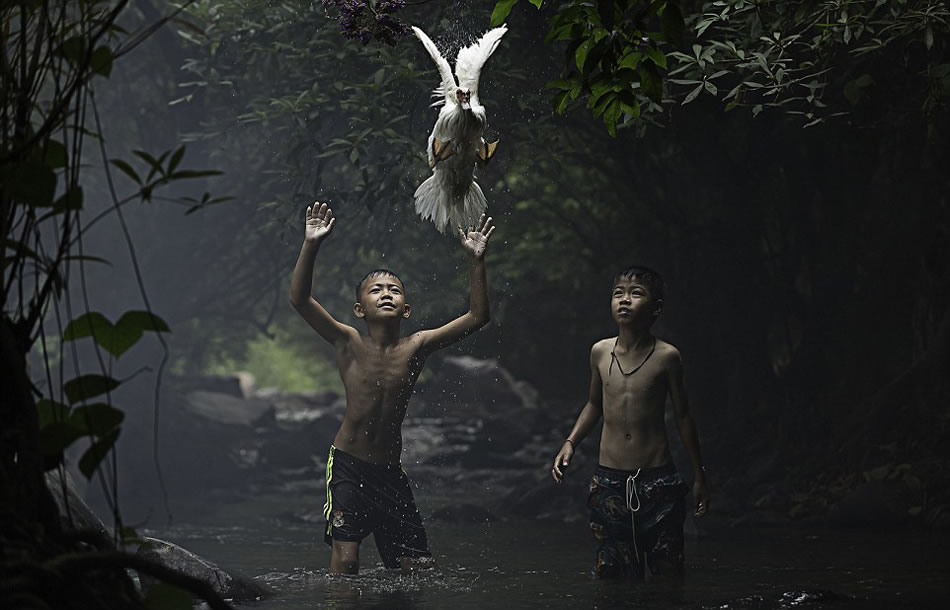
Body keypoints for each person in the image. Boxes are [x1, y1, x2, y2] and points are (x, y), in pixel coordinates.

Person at [289, 202, 495, 574]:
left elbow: (478, 317)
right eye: (376, 290)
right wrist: (311, 244)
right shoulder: (348, 342)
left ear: (406, 310)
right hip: (349, 465)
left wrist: (476, 260)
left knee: (418, 570)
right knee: (347, 560)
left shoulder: (416, 346)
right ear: (358, 309)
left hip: (388, 472)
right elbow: (300, 300)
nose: (386, 293)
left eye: (394, 290)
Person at [551, 265, 708, 580]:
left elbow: (683, 416)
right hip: (608, 481)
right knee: (612, 574)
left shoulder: (667, 357)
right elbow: (594, 404)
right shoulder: (600, 352)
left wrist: (699, 475)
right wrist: (570, 442)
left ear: (656, 308)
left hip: (657, 481)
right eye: (618, 293)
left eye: (636, 294)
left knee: (668, 572)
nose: (624, 300)